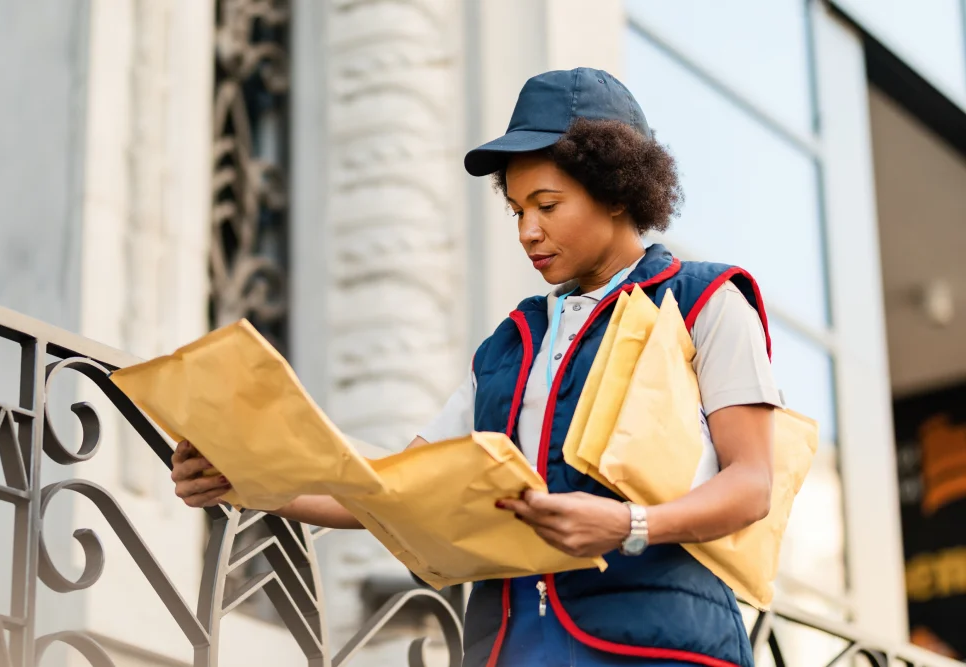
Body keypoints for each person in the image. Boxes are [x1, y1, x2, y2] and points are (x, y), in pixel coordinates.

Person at [170, 68, 778, 667]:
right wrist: (250, 479)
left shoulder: (707, 301)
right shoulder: (509, 345)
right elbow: (393, 487)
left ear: (619, 191)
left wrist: (629, 524)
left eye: (547, 204)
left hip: (661, 649)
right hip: (513, 648)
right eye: (516, 211)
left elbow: (751, 485)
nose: (528, 232)